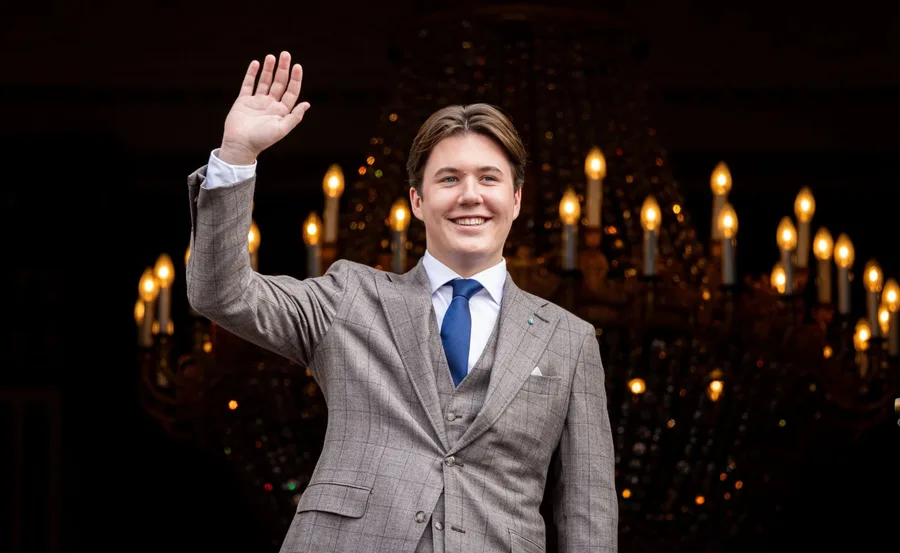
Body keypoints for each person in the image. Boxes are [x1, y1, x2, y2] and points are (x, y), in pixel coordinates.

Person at [185, 50, 617, 553]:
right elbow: (222, 292)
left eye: (489, 178)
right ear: (417, 200)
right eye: (449, 178)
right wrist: (237, 155)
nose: (470, 195)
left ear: (516, 199)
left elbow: (588, 510)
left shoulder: (569, 339)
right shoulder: (349, 297)